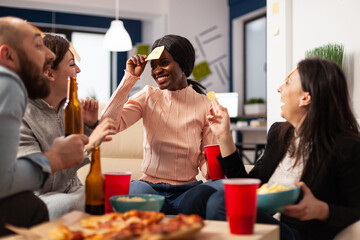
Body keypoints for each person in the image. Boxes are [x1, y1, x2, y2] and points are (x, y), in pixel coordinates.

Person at [180, 58, 360, 239]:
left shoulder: (346, 146)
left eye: (288, 83)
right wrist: (224, 135)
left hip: (298, 232)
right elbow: (247, 185)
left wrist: (322, 210)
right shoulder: (279, 134)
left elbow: (355, 210)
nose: (279, 89)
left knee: (221, 202)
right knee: (199, 195)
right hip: (264, 217)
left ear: (305, 97)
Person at [100, 34, 217, 214]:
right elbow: (108, 125)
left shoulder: (205, 105)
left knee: (212, 194)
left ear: (183, 64)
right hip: (148, 188)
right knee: (131, 194)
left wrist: (213, 169)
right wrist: (130, 78)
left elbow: (206, 158)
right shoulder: (148, 96)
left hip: (187, 191)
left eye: (164, 63)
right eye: (153, 66)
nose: (156, 71)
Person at [0, 17, 89, 236]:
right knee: (32, 207)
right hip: (44, 197)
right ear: (7, 55)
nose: (49, 55)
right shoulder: (9, 83)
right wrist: (54, 159)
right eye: (38, 46)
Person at [17, 33, 117, 220]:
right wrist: (90, 141)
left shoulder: (67, 109)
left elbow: (72, 167)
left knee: (116, 195)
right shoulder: (20, 115)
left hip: (72, 191)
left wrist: (89, 127)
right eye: (71, 64)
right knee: (82, 203)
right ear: (49, 73)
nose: (78, 69)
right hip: (40, 199)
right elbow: (37, 179)